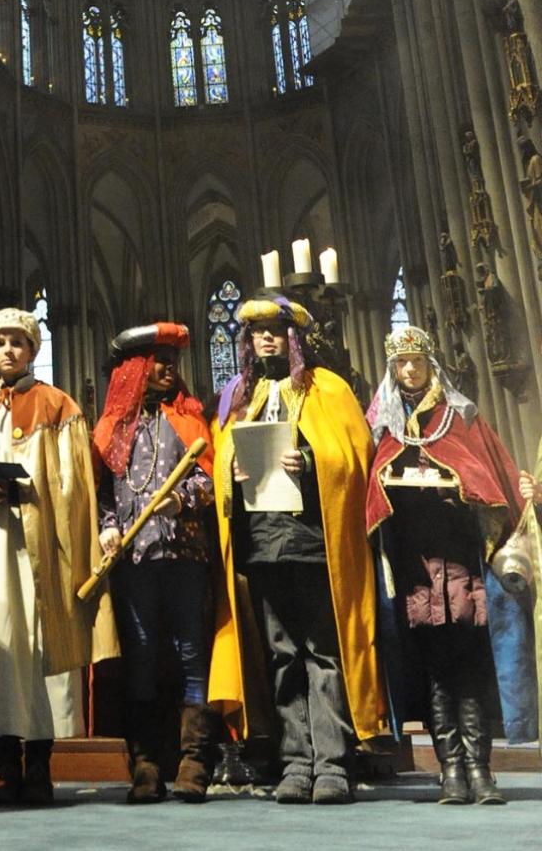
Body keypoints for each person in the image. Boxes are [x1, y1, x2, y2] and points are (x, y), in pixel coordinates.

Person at [208, 297, 386, 805]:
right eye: (257, 332)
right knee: (282, 657)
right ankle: (295, 762)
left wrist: (306, 459)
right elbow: (222, 462)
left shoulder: (327, 388)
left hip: (313, 544)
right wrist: (232, 474)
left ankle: (331, 764)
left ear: (295, 337)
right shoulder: (239, 398)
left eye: (275, 330)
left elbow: (354, 459)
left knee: (323, 654)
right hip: (263, 546)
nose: (266, 339)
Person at [0, 308, 116, 806]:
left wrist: (18, 494)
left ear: (33, 350)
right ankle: (4, 764)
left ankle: (39, 765)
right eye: (0, 342)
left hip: (36, 550)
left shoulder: (57, 406)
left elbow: (74, 486)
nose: (9, 351)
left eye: (19, 342)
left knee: (39, 650)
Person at [368, 326, 533, 805]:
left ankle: (481, 770)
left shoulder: (459, 417)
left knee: (470, 664)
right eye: (401, 364)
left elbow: (489, 476)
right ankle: (451, 769)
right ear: (392, 370)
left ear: (430, 364)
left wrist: (458, 484)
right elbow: (370, 490)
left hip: (462, 565)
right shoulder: (384, 425)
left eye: (417, 361)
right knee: (436, 670)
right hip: (417, 569)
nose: (411, 370)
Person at [93, 323, 217, 804]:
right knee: (141, 657)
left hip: (184, 553)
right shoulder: (110, 428)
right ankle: (144, 765)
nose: (167, 369)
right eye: (157, 360)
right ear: (134, 368)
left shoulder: (188, 419)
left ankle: (194, 763)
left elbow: (211, 482)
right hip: (135, 557)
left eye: (172, 360)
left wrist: (181, 501)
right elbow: (104, 491)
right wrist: (107, 525)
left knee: (191, 653)